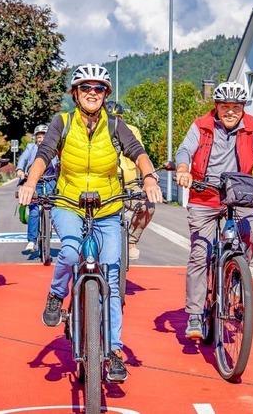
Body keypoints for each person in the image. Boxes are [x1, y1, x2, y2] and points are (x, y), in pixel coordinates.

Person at [17, 64, 163, 382]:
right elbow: (44, 153)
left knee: (111, 272)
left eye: (98, 89)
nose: (92, 94)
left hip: (108, 207)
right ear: (75, 93)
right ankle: (57, 294)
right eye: (86, 88)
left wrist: (150, 176)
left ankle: (112, 351)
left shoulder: (115, 125)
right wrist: (30, 182)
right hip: (69, 203)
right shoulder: (62, 122)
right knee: (69, 252)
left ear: (106, 94)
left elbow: (137, 152)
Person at [174, 81, 253, 340]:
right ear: (216, 107)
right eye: (225, 106)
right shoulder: (201, 126)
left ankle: (236, 274)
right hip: (204, 196)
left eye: (235, 107)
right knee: (199, 253)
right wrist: (183, 170)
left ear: (243, 108)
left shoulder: (252, 127)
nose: (230, 111)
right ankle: (194, 315)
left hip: (239, 196)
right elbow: (184, 150)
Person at [106, 100, 156, 261]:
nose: (115, 122)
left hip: (130, 184)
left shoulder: (132, 131)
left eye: (118, 118)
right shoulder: (97, 131)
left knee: (147, 206)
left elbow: (141, 155)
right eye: (110, 118)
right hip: (104, 184)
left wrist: (149, 177)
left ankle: (131, 241)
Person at [16, 124, 59, 252]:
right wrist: (20, 170)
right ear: (35, 138)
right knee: (34, 210)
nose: (41, 139)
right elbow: (23, 159)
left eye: (44, 136)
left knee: (54, 207)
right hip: (35, 182)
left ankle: (50, 225)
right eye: (38, 136)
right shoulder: (31, 148)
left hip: (51, 179)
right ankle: (31, 241)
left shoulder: (54, 149)